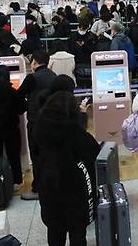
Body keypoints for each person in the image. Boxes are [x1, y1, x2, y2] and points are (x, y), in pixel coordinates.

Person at [35, 90, 100, 246]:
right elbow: (94, 151)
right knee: (77, 233)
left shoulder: (39, 130)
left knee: (55, 231)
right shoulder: (75, 132)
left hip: (49, 188)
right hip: (74, 192)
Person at [18, 50, 57, 201]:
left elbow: (19, 94)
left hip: (35, 121)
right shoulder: (53, 76)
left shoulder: (31, 78)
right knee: (49, 154)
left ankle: (38, 188)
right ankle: (51, 185)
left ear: (34, 62)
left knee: (37, 156)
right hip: (51, 120)